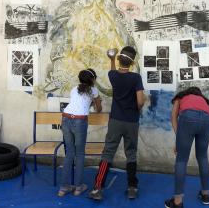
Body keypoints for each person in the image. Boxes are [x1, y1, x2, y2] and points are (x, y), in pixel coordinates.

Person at [89, 46, 145, 201]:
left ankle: (97, 188)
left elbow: (114, 70)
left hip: (115, 120)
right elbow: (140, 101)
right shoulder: (135, 78)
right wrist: (138, 108)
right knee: (131, 153)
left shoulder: (112, 75)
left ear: (119, 59)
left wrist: (112, 59)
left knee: (108, 153)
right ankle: (132, 188)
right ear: (133, 63)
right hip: (131, 121)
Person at [165, 87, 209, 208]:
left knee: (181, 159)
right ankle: (206, 195)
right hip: (208, 120)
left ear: (187, 92)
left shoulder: (181, 97)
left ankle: (177, 202)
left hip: (188, 117)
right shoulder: (204, 101)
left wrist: (180, 139)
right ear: (199, 93)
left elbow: (173, 117)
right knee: (202, 157)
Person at [57, 68, 102, 197]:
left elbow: (79, 103)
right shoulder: (94, 91)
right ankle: (78, 187)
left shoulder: (74, 89)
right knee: (80, 153)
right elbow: (99, 109)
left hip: (66, 118)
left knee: (69, 153)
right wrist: (96, 101)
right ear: (92, 80)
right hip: (79, 121)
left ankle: (63, 188)